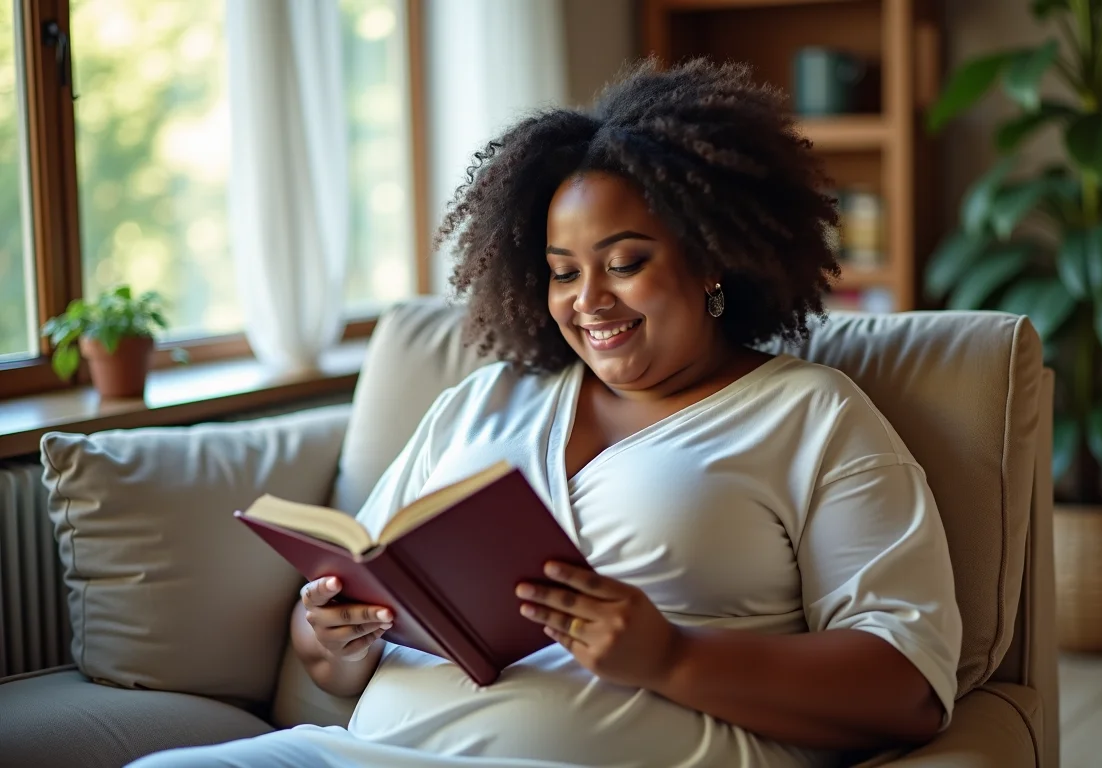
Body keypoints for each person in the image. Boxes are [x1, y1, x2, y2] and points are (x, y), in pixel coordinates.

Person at [131, 57, 962, 768]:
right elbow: (337, 658)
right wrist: (330, 635)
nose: (589, 301)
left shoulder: (807, 415)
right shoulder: (484, 400)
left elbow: (909, 689)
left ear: (713, 256)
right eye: (564, 272)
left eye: (625, 262)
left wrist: (670, 657)